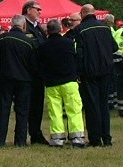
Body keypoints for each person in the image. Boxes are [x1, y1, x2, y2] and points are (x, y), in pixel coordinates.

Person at [35, 18, 86, 147]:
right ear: (60, 29)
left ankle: (57, 138)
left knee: (55, 111)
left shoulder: (42, 46)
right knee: (73, 109)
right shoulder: (69, 43)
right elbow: (77, 58)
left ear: (48, 31)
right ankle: (77, 137)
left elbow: (39, 64)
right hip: (69, 81)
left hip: (52, 83)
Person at [73, 3, 116, 147]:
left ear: (82, 14)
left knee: (92, 106)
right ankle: (107, 138)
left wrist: (78, 72)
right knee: (104, 104)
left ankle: (95, 139)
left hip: (89, 72)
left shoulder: (80, 29)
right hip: (106, 70)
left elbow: (79, 53)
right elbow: (114, 47)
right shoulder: (105, 28)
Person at [0, 13, 36, 147]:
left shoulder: (2, 39)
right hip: (24, 80)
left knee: (3, 110)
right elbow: (34, 64)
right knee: (22, 111)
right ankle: (20, 141)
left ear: (12, 24)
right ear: (24, 25)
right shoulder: (28, 42)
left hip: (5, 79)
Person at [22, 0, 51, 145]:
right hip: (28, 72)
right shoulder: (24, 26)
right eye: (37, 9)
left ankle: (36, 133)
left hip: (39, 73)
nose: (40, 12)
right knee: (29, 106)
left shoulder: (38, 27)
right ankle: (30, 133)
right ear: (28, 10)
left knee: (38, 105)